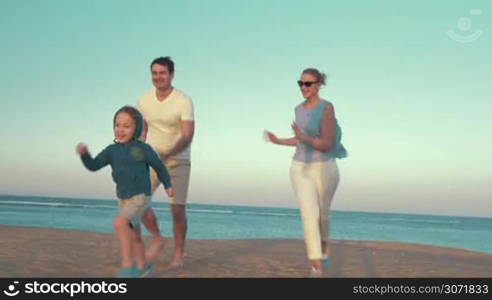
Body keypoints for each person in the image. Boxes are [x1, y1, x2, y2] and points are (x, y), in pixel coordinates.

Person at [265, 68, 347, 277]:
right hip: (300, 166)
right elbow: (299, 140)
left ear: (318, 84)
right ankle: (316, 267)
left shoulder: (327, 108)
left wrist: (303, 137)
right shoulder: (298, 109)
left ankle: (324, 245)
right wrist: (278, 141)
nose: (303, 87)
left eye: (308, 84)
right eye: (300, 83)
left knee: (322, 215)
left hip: (324, 167)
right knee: (309, 214)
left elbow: (326, 144)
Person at [76, 106, 173, 277]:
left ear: (136, 129)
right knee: (134, 235)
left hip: (141, 195)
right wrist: (84, 155)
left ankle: (127, 265)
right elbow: (94, 165)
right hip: (123, 198)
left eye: (126, 126)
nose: (120, 130)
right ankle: (142, 266)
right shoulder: (111, 151)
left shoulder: (142, 148)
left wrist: (167, 184)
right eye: (117, 125)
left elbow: (159, 166)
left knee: (120, 223)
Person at [137, 56, 195, 268]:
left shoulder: (183, 100)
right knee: (137, 203)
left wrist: (168, 154)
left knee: (176, 211)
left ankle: (179, 255)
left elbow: (188, 135)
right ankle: (157, 237)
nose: (158, 77)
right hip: (152, 160)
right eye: (154, 73)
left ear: (171, 75)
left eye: (163, 73)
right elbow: (142, 130)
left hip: (178, 160)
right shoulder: (143, 99)